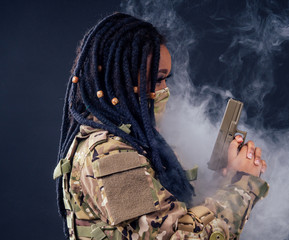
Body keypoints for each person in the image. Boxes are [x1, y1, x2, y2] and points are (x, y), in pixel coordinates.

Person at [53, 12, 269, 240]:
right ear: (118, 80)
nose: (164, 90)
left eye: (166, 79)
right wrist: (243, 185)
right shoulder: (110, 155)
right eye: (157, 79)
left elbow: (180, 215)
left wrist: (226, 177)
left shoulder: (133, 140)